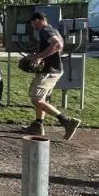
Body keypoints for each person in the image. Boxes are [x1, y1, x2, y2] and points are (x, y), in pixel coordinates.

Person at [22, 12, 81, 140]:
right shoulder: (54, 30)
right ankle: (38, 125)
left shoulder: (45, 30)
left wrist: (39, 56)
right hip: (53, 70)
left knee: (36, 99)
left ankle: (67, 121)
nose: (33, 27)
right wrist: (39, 55)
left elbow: (57, 45)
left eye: (33, 24)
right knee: (42, 99)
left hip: (49, 72)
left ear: (38, 20)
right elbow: (58, 47)